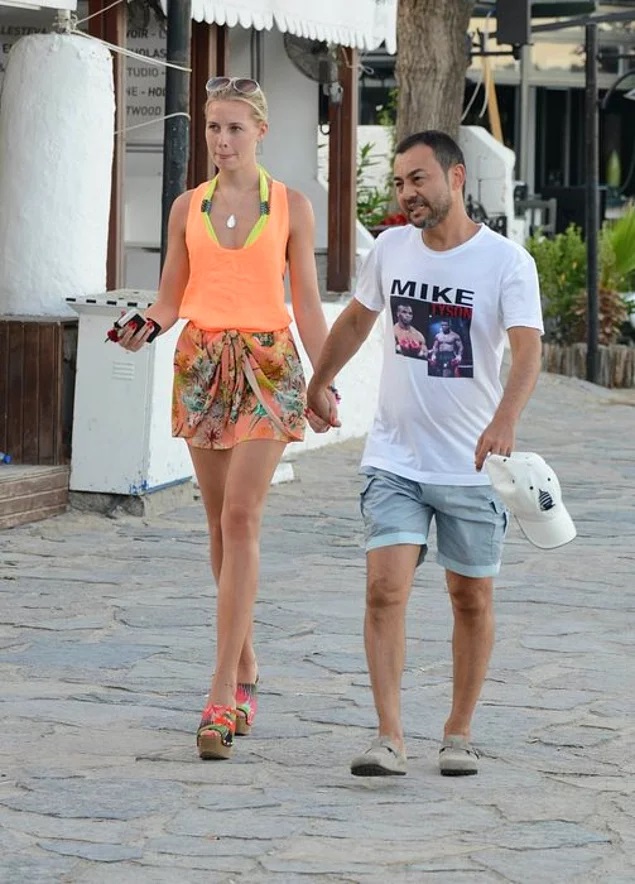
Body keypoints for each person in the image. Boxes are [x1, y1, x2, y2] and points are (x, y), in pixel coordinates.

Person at [307, 130, 543, 778]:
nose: (406, 193)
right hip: (395, 458)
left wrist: (504, 419)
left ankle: (458, 732)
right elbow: (356, 321)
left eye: (418, 179)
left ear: (455, 177)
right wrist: (319, 380)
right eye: (399, 183)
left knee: (470, 598)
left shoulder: (505, 263)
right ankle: (389, 736)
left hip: (470, 464)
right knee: (384, 590)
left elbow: (527, 351)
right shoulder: (389, 250)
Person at [116, 76, 338, 761]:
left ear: (260, 131)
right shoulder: (188, 206)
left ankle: (219, 694)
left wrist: (323, 381)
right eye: (214, 127)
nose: (222, 139)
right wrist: (142, 326)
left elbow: (306, 305)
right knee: (217, 524)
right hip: (202, 365)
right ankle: (246, 664)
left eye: (235, 127)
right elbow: (170, 297)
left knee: (242, 517)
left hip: (269, 367)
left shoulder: (293, 207)